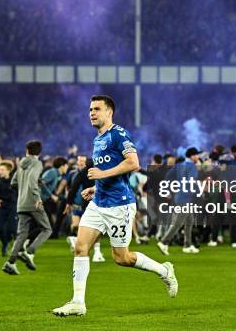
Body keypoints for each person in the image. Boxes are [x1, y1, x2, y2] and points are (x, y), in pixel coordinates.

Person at [53, 95, 178, 317]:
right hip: (99, 203)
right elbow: (110, 171)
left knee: (122, 258)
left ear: (109, 112)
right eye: (90, 109)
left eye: (97, 109)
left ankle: (164, 270)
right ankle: (78, 303)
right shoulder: (98, 139)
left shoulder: (118, 134)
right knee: (81, 247)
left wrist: (101, 174)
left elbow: (133, 163)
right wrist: (97, 187)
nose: (92, 113)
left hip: (119, 206)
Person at [1, 140, 52, 275]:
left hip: (21, 203)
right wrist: (36, 197)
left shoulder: (21, 164)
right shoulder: (37, 163)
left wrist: (24, 191)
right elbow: (31, 180)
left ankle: (10, 263)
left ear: (26, 150)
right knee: (47, 229)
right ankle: (30, 252)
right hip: (33, 202)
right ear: (39, 152)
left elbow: (13, 183)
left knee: (22, 234)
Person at [0, 161, 18, 256]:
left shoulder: (14, 181)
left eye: (2, 170)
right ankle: (4, 244)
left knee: (12, 229)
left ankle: (15, 249)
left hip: (12, 207)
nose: (0, 172)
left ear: (8, 171)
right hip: (2, 207)